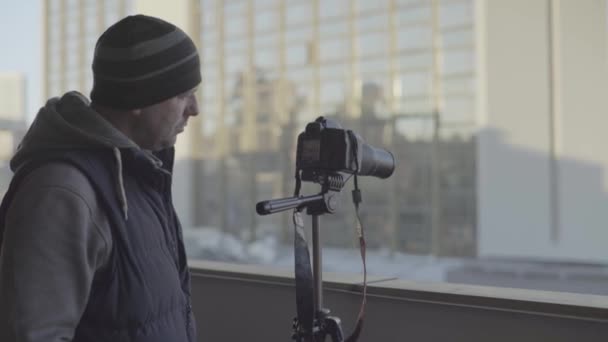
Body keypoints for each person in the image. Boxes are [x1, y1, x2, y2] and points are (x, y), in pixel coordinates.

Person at [0, 14, 200, 342]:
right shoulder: (62, 191)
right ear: (140, 97)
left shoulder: (140, 174)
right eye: (182, 95)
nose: (194, 109)